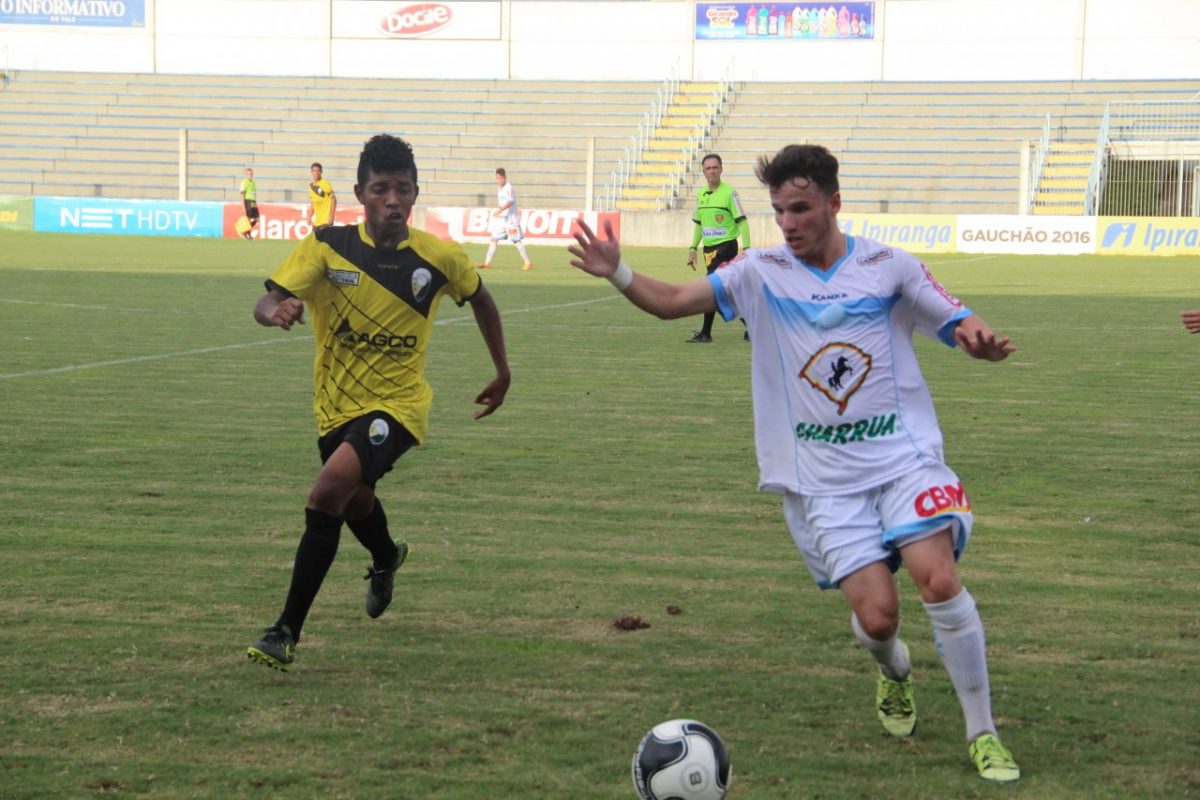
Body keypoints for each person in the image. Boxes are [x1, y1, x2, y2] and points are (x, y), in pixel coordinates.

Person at [568, 144, 1021, 783]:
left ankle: (984, 733)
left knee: (938, 580)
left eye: (801, 208)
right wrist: (619, 272)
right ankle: (894, 672)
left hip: (902, 461)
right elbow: (673, 299)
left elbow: (956, 318)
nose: (788, 222)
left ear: (834, 203)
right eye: (779, 210)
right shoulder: (760, 271)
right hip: (823, 482)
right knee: (878, 617)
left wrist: (977, 339)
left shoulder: (891, 266)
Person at [247, 134, 511, 671]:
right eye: (380, 189)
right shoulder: (326, 246)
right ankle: (387, 556)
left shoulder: (438, 257)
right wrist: (273, 310)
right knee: (354, 498)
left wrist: (503, 371)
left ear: (415, 195)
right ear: (360, 194)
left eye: (403, 190)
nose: (393, 200)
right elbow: (267, 297)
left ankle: (285, 631)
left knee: (327, 493)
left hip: (399, 406)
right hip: (334, 405)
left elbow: (481, 297)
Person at [685, 153, 750, 343]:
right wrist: (692, 248)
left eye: (715, 167)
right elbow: (699, 224)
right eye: (708, 168)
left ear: (721, 169)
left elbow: (742, 222)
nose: (712, 171)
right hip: (709, 250)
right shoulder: (701, 195)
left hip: (726, 248)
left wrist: (746, 248)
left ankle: (706, 333)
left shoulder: (730, 193)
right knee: (724, 292)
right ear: (703, 171)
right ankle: (753, 326)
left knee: (711, 287)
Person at [477, 168, 534, 271]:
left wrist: (500, 210)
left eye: (501, 178)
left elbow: (510, 202)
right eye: (498, 178)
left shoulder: (509, 188)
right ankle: (487, 263)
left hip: (511, 220)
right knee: (494, 239)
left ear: (505, 177)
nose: (499, 180)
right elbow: (502, 203)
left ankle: (528, 263)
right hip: (503, 220)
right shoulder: (499, 189)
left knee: (517, 241)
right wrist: (499, 211)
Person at [308, 162, 337, 230]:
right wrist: (309, 216)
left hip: (326, 220)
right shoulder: (310, 186)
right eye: (314, 171)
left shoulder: (325, 184)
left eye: (318, 171)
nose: (316, 173)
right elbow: (313, 203)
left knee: (325, 240)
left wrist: (331, 216)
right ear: (311, 172)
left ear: (321, 172)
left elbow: (334, 199)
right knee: (314, 240)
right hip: (317, 221)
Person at [238, 168, 259, 240]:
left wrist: (255, 204)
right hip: (248, 201)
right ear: (246, 175)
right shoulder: (244, 182)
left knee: (257, 219)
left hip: (253, 202)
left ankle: (245, 232)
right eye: (249, 174)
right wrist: (243, 206)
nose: (250, 175)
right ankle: (248, 234)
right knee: (249, 219)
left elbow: (253, 194)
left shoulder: (253, 182)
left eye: (251, 174)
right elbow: (241, 194)